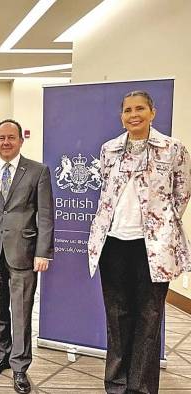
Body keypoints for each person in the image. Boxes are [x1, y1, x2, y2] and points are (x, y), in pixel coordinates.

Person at [88, 90, 191, 394]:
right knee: (117, 318)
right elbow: (106, 192)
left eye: (140, 109)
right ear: (121, 116)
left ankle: (141, 388)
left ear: (152, 112)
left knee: (148, 318)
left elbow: (181, 194)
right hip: (113, 244)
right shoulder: (109, 149)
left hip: (153, 248)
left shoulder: (173, 149)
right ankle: (117, 385)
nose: (134, 115)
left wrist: (160, 224)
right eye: (128, 110)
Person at [0, 119, 53, 394]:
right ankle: (1, 356)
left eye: (11, 137)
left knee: (21, 312)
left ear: (20, 140)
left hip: (24, 253)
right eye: (1, 138)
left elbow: (45, 215)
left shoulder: (38, 171)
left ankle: (20, 367)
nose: (6, 142)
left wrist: (43, 252)